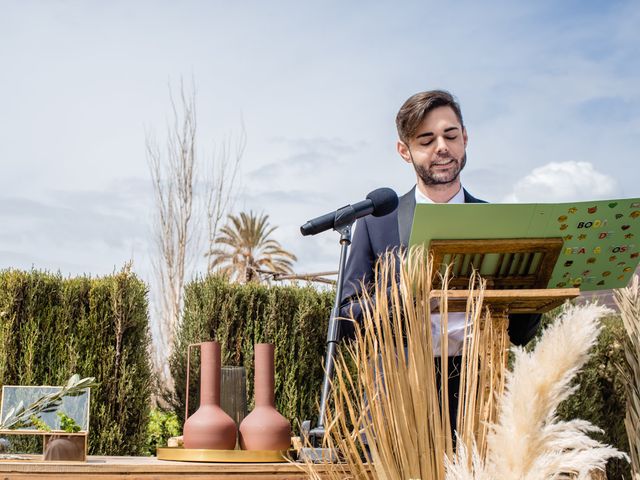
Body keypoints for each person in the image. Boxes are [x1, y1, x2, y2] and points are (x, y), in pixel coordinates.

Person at [338, 89, 541, 432]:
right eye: (426, 140)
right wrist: (404, 293)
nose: (442, 147)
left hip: (482, 394)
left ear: (465, 138)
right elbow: (346, 315)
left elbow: (522, 333)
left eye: (450, 135)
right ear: (405, 150)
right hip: (400, 397)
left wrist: (529, 286)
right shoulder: (376, 222)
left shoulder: (500, 223)